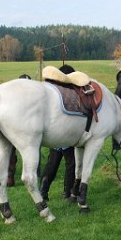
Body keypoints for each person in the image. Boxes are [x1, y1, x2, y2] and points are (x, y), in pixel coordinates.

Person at [39, 64, 77, 201]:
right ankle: (68, 192)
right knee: (71, 163)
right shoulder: (69, 93)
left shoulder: (52, 90)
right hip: (66, 133)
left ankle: (43, 190)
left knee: (52, 163)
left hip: (54, 133)